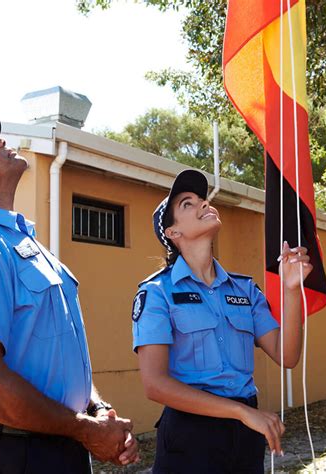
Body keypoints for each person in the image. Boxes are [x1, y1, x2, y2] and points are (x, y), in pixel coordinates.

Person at [0, 108, 139, 473]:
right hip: (12, 454)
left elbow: (58, 363)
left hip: (60, 445)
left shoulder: (22, 244)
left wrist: (98, 412)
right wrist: (87, 430)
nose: (0, 141)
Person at [132, 169, 311, 473]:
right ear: (172, 233)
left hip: (245, 434)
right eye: (188, 204)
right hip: (191, 435)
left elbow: (288, 355)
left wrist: (291, 290)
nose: (204, 204)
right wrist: (240, 412)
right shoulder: (157, 293)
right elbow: (155, 385)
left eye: (203, 199)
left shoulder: (245, 289)